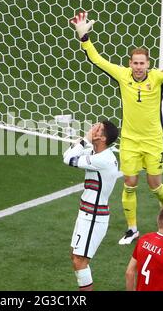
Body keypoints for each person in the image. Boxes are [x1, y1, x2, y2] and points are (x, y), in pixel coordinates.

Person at [70, 12, 163, 245]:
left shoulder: (157, 78)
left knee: (154, 185)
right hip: (129, 140)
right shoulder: (122, 75)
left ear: (148, 64)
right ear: (130, 63)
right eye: (135, 63)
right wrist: (83, 37)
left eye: (142, 63)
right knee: (129, 184)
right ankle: (132, 229)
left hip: (153, 140)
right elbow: (97, 60)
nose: (138, 67)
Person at [63, 120, 119, 291]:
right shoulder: (97, 153)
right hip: (87, 213)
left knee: (80, 261)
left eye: (97, 128)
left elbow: (68, 159)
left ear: (102, 138)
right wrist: (86, 141)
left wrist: (86, 139)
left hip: (94, 217)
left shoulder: (103, 159)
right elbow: (69, 153)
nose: (93, 128)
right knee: (75, 256)